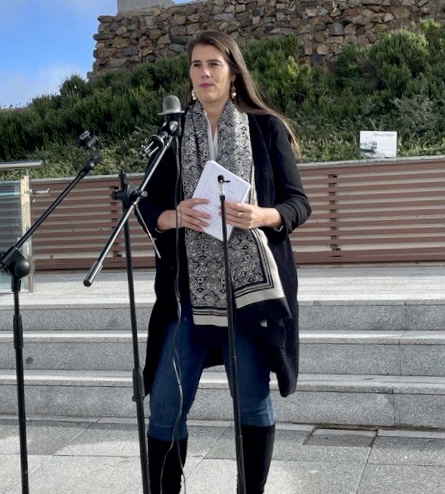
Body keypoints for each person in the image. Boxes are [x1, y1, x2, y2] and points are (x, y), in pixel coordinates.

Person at [139, 30, 311, 494]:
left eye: (214, 64)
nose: (204, 74)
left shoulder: (265, 127)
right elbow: (142, 204)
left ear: (233, 72)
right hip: (186, 294)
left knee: (252, 404)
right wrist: (172, 216)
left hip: (249, 293)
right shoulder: (171, 135)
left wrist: (262, 214)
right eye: (196, 65)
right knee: (165, 407)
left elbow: (299, 203)